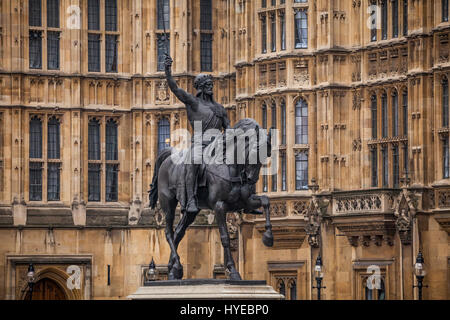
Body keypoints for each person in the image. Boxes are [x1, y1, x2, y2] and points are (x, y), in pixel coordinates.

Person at [164, 54, 231, 213]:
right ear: (200, 87)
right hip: (200, 144)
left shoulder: (220, 108)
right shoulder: (194, 103)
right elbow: (175, 89)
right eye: (207, 84)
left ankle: (241, 194)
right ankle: (191, 200)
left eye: (211, 84)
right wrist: (167, 71)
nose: (210, 86)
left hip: (219, 145)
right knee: (193, 162)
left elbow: (228, 128)